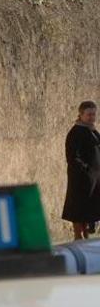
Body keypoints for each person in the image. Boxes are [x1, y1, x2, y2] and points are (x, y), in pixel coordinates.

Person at [63, 101, 100, 240]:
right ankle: (78, 236)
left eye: (94, 114)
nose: (92, 117)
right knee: (78, 208)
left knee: (89, 208)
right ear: (81, 114)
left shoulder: (92, 130)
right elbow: (73, 157)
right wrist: (87, 171)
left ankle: (86, 235)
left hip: (93, 178)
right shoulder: (76, 132)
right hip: (80, 178)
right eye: (89, 114)